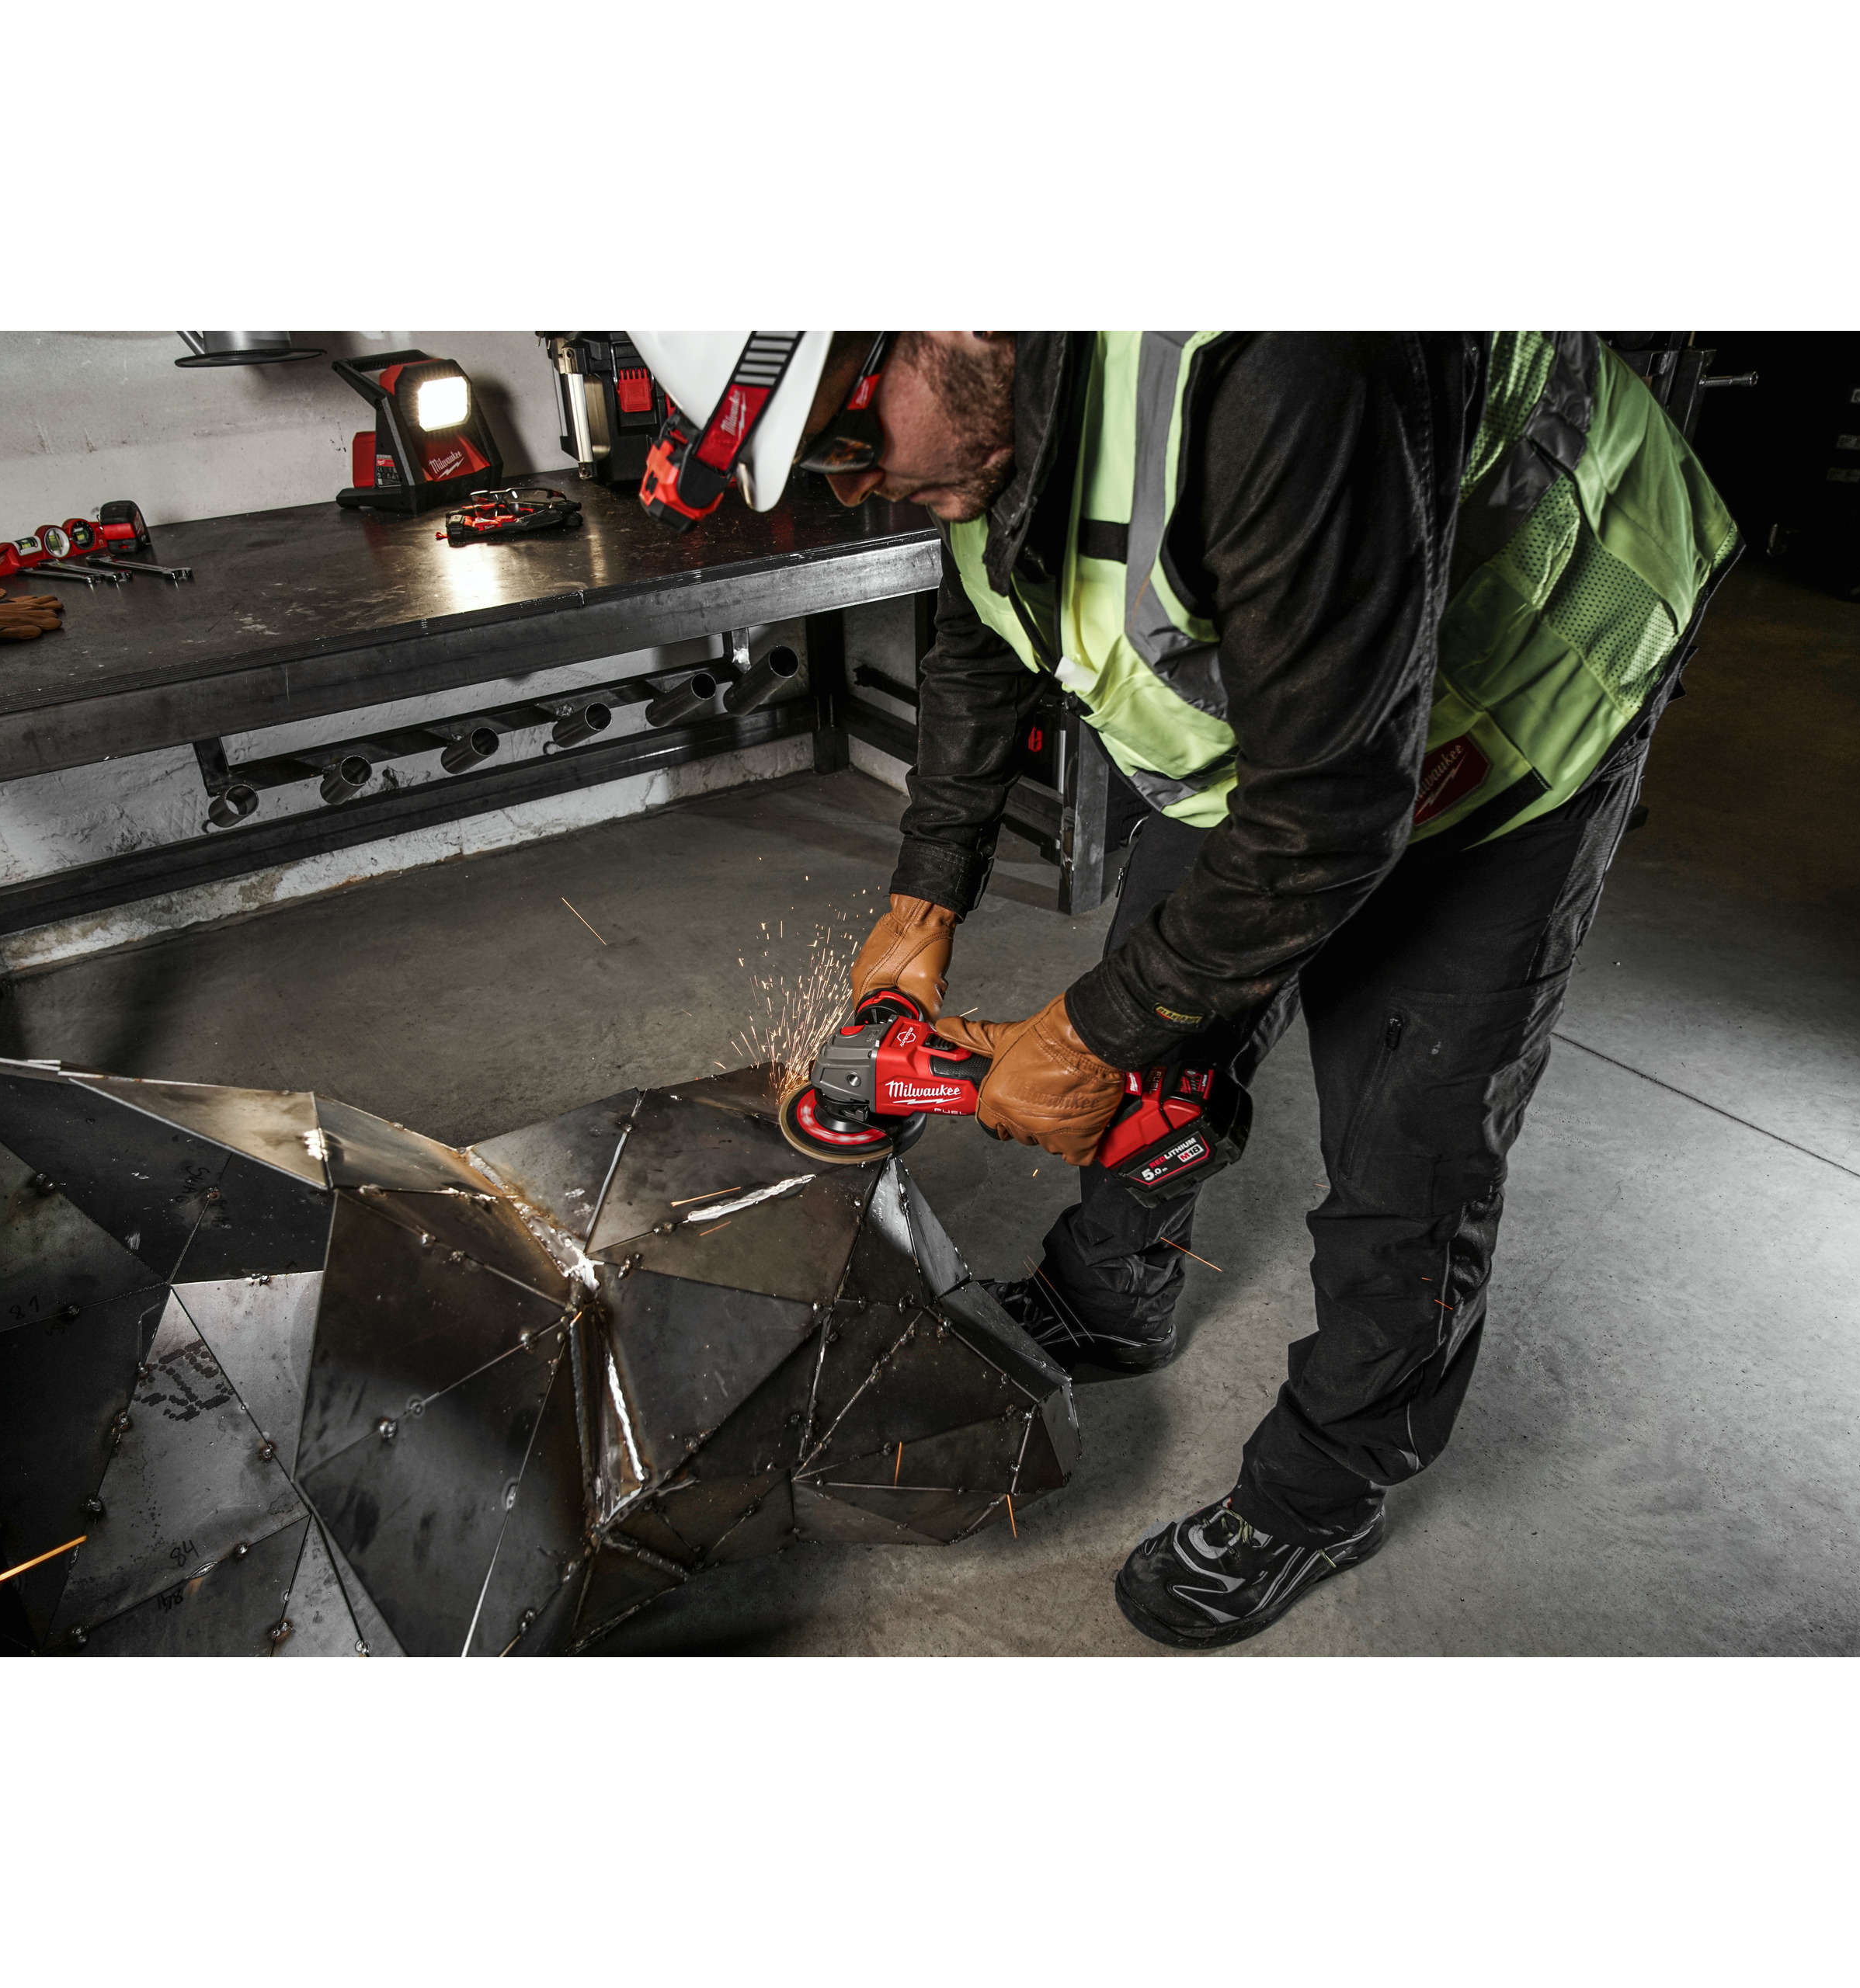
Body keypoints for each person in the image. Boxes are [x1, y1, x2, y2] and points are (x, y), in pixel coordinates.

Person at [627, 330, 1740, 1649]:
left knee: (1409, 1145)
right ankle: (1109, 1299)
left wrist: (1089, 1037)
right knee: (1159, 1010)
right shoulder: (987, 410)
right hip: (1305, 709)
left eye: (847, 440)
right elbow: (987, 633)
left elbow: (1330, 812)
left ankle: (1326, 1487)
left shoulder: (1286, 359)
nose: (857, 485)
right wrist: (927, 894)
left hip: (1531, 671)